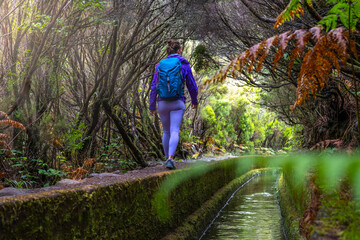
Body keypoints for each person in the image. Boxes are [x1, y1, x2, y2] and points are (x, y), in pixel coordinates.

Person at [149, 39, 198, 169]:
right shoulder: (184, 64)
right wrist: (194, 100)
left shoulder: (160, 65)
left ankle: (167, 160)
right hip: (178, 102)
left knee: (166, 131)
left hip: (162, 103)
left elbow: (154, 86)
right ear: (179, 50)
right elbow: (191, 85)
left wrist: (152, 105)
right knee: (174, 130)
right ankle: (171, 158)